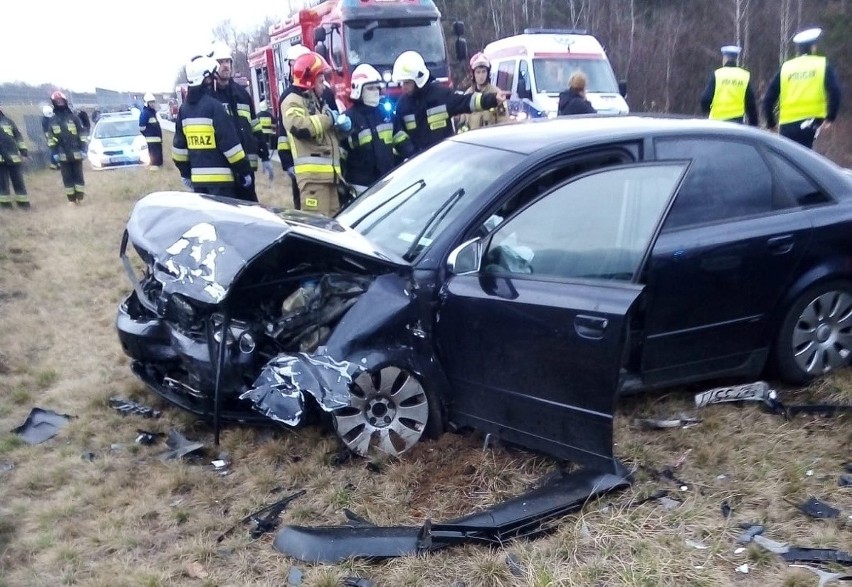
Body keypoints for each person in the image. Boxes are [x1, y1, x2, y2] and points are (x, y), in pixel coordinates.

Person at [391, 50, 506, 157]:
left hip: (445, 159)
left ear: (418, 80)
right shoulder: (402, 105)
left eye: (407, 82)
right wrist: (412, 154)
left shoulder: (441, 95)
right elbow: (399, 136)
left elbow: (465, 101)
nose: (403, 87)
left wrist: (493, 99)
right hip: (420, 163)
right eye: (402, 83)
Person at [172, 56, 253, 199]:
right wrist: (244, 169)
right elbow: (231, 147)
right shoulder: (215, 107)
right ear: (207, 79)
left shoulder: (184, 110)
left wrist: (185, 173)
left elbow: (179, 150)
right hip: (223, 185)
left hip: (199, 185)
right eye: (212, 76)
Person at [281, 51, 351, 216]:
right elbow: (299, 127)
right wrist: (328, 118)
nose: (324, 84)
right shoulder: (292, 100)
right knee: (318, 229)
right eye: (321, 81)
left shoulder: (316, 101)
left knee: (333, 228)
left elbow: (324, 134)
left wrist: (341, 129)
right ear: (309, 80)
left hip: (330, 178)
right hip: (313, 180)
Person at [208, 41, 273, 201]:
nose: (225, 66)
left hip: (246, 168)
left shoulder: (242, 94)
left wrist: (264, 156)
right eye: (220, 62)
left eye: (228, 61)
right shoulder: (208, 97)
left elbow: (255, 126)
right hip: (222, 171)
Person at [762, 27, 842, 149]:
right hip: (812, 124)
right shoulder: (822, 64)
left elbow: (768, 99)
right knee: (807, 163)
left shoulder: (786, 68)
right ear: (813, 47)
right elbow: (835, 92)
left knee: (789, 162)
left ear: (798, 49)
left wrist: (771, 123)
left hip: (787, 126)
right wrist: (831, 117)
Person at [340, 64, 395, 196]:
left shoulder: (385, 114)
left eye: (377, 87)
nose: (376, 91)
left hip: (388, 181)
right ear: (358, 89)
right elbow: (341, 156)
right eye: (370, 88)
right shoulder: (348, 119)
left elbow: (400, 139)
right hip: (360, 187)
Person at [277, 44, 312, 209]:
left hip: (323, 162)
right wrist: (286, 161)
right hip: (298, 162)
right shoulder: (288, 96)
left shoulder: (323, 92)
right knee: (301, 207)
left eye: (294, 64)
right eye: (291, 65)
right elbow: (283, 132)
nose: (293, 69)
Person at [700, 45, 759, 125]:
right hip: (737, 122)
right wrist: (753, 124)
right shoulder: (744, 76)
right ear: (735, 59)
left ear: (724, 59)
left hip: (716, 122)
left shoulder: (717, 74)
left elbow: (705, 99)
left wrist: (706, 111)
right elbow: (750, 104)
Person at [47, 91, 88, 205]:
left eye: (61, 101)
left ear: (65, 101)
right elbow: (50, 138)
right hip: (62, 155)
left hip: (76, 153)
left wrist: (83, 149)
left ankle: (80, 198)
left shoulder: (74, 118)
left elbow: (82, 134)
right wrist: (54, 152)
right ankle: (71, 200)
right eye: (57, 101)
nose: (59, 103)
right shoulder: (53, 120)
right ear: (54, 103)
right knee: (67, 178)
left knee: (78, 177)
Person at [457, 53, 508, 132]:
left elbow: (504, 122)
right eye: (478, 72)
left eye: (484, 72)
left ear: (488, 73)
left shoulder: (497, 94)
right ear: (473, 74)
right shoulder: (468, 95)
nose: (481, 76)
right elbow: (462, 123)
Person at [0, 106, 30, 209]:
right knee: (2, 185)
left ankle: (24, 205)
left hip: (13, 158)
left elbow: (18, 137)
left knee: (18, 182)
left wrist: (24, 152)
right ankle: (6, 206)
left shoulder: (8, 121)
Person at [139, 92, 163, 168]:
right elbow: (142, 127)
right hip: (151, 141)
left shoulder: (152, 113)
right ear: (147, 103)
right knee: (154, 161)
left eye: (153, 102)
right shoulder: (145, 113)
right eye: (151, 102)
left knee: (159, 161)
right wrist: (147, 135)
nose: (152, 104)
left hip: (157, 140)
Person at [41, 105, 59, 169]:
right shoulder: (45, 120)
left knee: (55, 150)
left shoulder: (49, 118)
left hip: (53, 136)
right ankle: (55, 163)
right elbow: (47, 131)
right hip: (50, 137)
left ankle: (55, 163)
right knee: (54, 150)